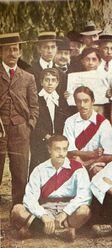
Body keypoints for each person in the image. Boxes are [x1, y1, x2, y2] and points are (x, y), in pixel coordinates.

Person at [11, 135, 92, 241]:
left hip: (68, 210)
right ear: (49, 150)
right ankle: (61, 231)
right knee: (17, 210)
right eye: (57, 149)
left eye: (64, 149)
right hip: (45, 208)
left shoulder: (78, 168)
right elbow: (29, 198)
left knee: (84, 211)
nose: (61, 153)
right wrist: (43, 216)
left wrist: (65, 212)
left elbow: (84, 195)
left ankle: (35, 229)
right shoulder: (39, 170)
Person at [0, 32, 39, 205]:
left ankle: (18, 211)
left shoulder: (28, 77)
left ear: (20, 52)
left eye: (15, 49)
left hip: (21, 130)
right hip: (0, 129)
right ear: (0, 53)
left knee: (20, 173)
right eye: (7, 50)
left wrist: (29, 126)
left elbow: (34, 106)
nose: (12, 53)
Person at [63, 86, 112, 176]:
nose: (82, 105)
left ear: (93, 101)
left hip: (95, 164)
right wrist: (92, 154)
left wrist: (85, 163)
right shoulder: (70, 121)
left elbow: (109, 155)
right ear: (75, 102)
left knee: (97, 171)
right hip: (75, 162)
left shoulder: (103, 123)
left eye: (86, 101)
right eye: (79, 101)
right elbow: (69, 151)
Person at [30, 68, 69, 172]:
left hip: (57, 140)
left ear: (57, 82)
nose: (50, 83)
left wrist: (58, 136)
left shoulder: (61, 100)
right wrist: (45, 135)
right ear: (41, 82)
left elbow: (64, 120)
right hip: (40, 140)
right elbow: (34, 120)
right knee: (39, 167)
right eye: (47, 80)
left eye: (53, 80)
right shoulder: (36, 99)